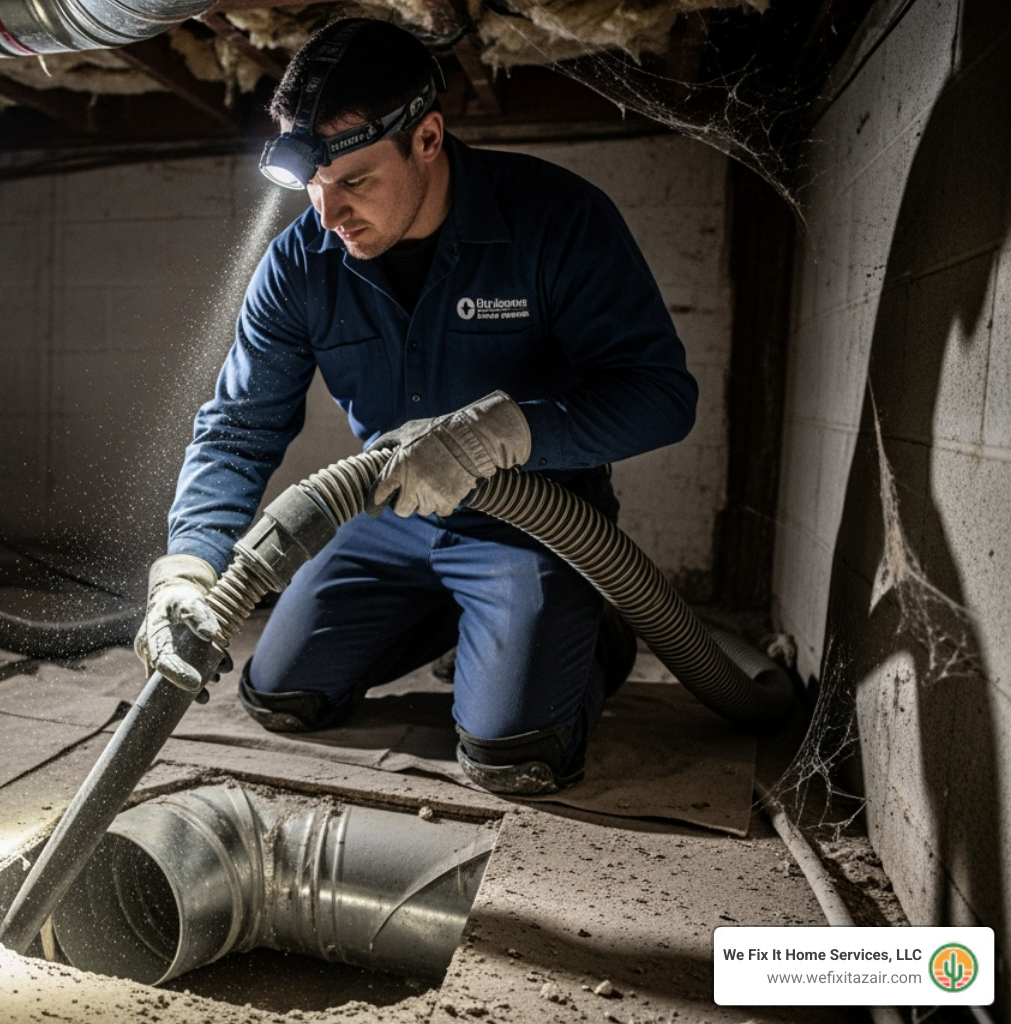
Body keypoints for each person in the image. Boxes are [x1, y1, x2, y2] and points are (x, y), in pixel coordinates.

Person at [136, 18, 698, 795]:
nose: (328, 216)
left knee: (510, 754)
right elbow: (238, 428)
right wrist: (188, 567)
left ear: (427, 138)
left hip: (531, 525)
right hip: (392, 516)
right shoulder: (300, 263)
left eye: (354, 182)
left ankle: (590, 634)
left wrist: (506, 432)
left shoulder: (557, 219)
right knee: (279, 695)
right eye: (313, 186)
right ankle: (465, 624)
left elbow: (662, 395)